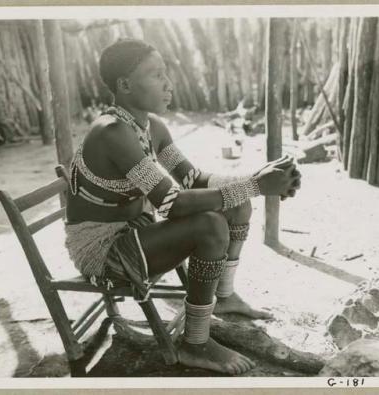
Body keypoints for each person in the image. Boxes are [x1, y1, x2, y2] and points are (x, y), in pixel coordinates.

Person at [64, 38, 301, 375]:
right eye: (155, 74)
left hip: (136, 230)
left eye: (166, 73)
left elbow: (193, 178)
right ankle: (195, 343)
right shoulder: (112, 133)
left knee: (236, 206)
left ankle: (225, 295)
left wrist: (256, 179)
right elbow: (172, 204)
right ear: (125, 85)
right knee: (210, 225)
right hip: (103, 249)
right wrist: (256, 186)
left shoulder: (151, 127)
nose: (168, 84)